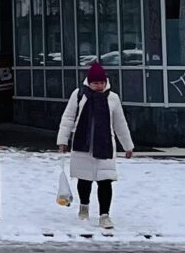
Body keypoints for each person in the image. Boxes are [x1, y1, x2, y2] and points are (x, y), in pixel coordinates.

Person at [57, 59, 134, 226]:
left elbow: (120, 123)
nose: (98, 86)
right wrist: (63, 140)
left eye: (101, 82)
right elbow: (68, 118)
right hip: (82, 146)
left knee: (105, 182)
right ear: (89, 82)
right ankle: (84, 206)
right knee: (84, 180)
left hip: (105, 146)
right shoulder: (79, 95)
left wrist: (128, 146)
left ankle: (104, 215)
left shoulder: (112, 98)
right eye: (95, 83)